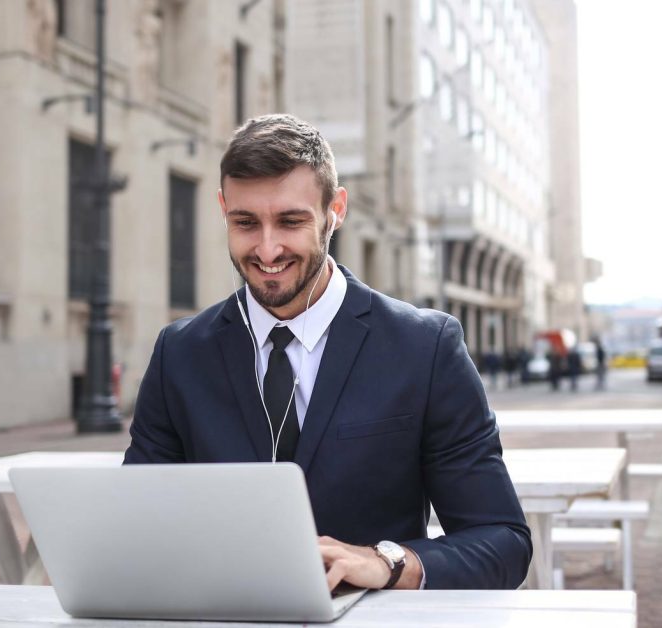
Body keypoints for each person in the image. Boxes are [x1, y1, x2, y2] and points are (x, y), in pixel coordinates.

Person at [123, 114, 531, 591]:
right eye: (246, 223)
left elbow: (502, 541)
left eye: (291, 221)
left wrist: (387, 563)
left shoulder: (425, 347)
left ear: (335, 210)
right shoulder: (179, 354)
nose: (267, 250)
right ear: (223, 209)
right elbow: (136, 522)